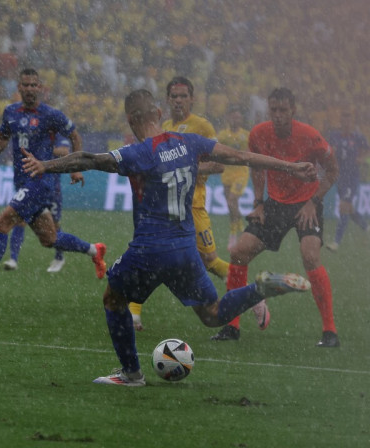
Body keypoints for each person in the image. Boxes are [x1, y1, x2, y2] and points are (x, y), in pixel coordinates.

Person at [21, 89, 315, 386]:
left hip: (149, 248)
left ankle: (132, 373)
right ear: (159, 114)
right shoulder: (189, 143)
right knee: (212, 314)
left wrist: (46, 166)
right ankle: (260, 288)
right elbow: (240, 157)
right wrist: (291, 167)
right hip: (185, 249)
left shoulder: (140, 152)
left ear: (131, 120)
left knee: (113, 299)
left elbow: (88, 159)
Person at [0, 68, 106, 299]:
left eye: (34, 85)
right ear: (19, 88)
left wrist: (75, 167)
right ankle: (95, 250)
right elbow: (4, 135)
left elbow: (75, 136)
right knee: (50, 239)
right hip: (23, 181)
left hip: (41, 182)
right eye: (25, 85)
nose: (29, 89)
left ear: (40, 88)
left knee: (2, 223)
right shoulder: (11, 112)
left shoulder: (50, 115)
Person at [211, 88, 341, 347]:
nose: (278, 115)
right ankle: (232, 326)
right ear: (269, 110)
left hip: (307, 204)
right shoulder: (259, 134)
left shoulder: (311, 136)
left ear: (293, 110)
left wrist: (313, 202)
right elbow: (257, 166)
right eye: (274, 110)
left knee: (310, 256)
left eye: (283, 110)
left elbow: (333, 170)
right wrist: (258, 203)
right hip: (275, 205)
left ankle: (330, 332)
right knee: (239, 252)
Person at [129, 76, 255, 332]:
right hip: (167, 206)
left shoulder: (202, 126)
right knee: (151, 253)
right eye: (174, 96)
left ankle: (254, 296)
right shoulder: (162, 125)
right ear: (167, 100)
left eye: (183, 96)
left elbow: (219, 164)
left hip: (193, 204)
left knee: (207, 260)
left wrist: (186, 165)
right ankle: (133, 313)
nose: (178, 101)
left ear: (192, 99)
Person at [2, 136, 70, 273]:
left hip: (52, 189)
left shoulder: (58, 136)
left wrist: (44, 150)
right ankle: (13, 259)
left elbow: (65, 152)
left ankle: (59, 257)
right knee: (19, 219)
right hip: (34, 186)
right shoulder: (37, 132)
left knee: (54, 225)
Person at [324, 107, 369, 251]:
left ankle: (336, 242)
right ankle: (366, 226)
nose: (347, 123)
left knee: (343, 206)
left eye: (349, 120)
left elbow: (367, 149)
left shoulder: (358, 137)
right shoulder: (335, 136)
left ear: (352, 122)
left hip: (352, 177)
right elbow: (328, 150)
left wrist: (361, 158)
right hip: (340, 177)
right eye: (345, 120)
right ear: (341, 122)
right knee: (349, 208)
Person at [218, 106, 251, 250]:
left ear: (241, 119)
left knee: (232, 200)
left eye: (238, 117)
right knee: (231, 205)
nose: (235, 119)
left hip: (241, 173)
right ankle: (241, 227)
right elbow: (217, 149)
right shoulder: (223, 135)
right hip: (226, 172)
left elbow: (250, 152)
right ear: (228, 118)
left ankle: (233, 235)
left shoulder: (247, 135)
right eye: (233, 117)